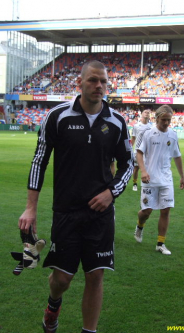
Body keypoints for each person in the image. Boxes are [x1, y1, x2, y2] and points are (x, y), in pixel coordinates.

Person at [18, 60, 133, 333]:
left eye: (104, 81)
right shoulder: (57, 117)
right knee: (62, 279)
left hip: (100, 215)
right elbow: (39, 161)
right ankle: (53, 305)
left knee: (95, 275)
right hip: (66, 212)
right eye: (93, 80)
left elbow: (128, 165)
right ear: (79, 83)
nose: (99, 86)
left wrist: (111, 193)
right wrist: (30, 208)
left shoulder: (117, 122)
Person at [133, 105, 184, 255]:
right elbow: (139, 153)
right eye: (164, 120)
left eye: (169, 120)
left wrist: (182, 176)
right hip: (149, 179)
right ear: (157, 118)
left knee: (165, 210)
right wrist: (143, 171)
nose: (167, 123)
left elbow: (177, 156)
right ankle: (140, 225)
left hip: (166, 179)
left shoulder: (173, 135)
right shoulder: (148, 134)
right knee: (146, 211)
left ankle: (160, 243)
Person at [131, 109, 152, 191]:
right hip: (137, 151)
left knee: (147, 168)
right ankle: (135, 183)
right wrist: (130, 149)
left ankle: (145, 183)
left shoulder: (151, 127)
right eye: (145, 112)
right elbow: (133, 138)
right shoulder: (136, 126)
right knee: (136, 168)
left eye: (148, 113)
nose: (147, 113)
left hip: (147, 152)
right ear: (142, 114)